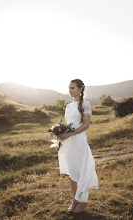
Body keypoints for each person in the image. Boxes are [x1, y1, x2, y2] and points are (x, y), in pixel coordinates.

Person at [57, 79, 98, 213]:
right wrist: (61, 133)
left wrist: (71, 134)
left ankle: (82, 201)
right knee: (72, 172)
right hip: (68, 141)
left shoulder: (85, 104)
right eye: (69, 88)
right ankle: (74, 200)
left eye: (72, 88)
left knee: (81, 172)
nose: (70, 90)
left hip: (79, 139)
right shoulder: (69, 106)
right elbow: (67, 124)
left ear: (80, 89)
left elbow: (86, 125)